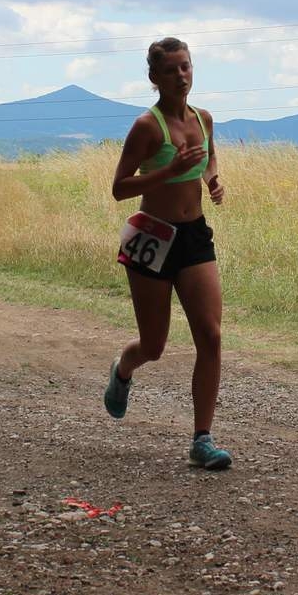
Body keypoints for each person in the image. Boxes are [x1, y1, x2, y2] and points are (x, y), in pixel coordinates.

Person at [104, 36, 231, 469]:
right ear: (155, 78)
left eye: (186, 67)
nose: (181, 75)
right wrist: (168, 171)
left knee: (211, 336)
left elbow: (210, 159)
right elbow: (120, 188)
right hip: (152, 238)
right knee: (155, 346)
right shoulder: (146, 127)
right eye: (172, 69)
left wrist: (212, 179)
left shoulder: (204, 119)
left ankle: (202, 439)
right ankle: (124, 366)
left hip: (194, 236)